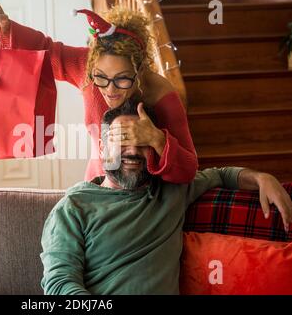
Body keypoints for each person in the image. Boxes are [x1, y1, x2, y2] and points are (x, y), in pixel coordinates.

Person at [40, 99, 292, 295]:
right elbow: (59, 283)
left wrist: (261, 178)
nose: (132, 151)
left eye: (142, 142)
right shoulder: (74, 206)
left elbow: (222, 174)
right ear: (103, 147)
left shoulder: (171, 190)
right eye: (123, 140)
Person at [0, 3, 198, 182]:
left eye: (122, 79)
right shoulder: (85, 68)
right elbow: (47, 51)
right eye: (100, 78)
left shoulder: (161, 94)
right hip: (97, 185)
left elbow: (189, 170)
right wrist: (6, 28)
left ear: (140, 69)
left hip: (144, 198)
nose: (110, 90)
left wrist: (157, 140)